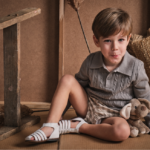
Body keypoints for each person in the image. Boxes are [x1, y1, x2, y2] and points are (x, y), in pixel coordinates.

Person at [25, 8, 150, 143]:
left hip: (117, 114)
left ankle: (80, 127)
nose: (115, 47)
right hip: (89, 108)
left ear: (128, 39)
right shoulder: (90, 61)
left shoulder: (136, 66)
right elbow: (74, 88)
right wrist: (58, 114)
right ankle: (50, 127)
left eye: (120, 40)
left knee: (122, 132)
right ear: (97, 41)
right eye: (108, 41)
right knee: (67, 79)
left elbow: (145, 97)